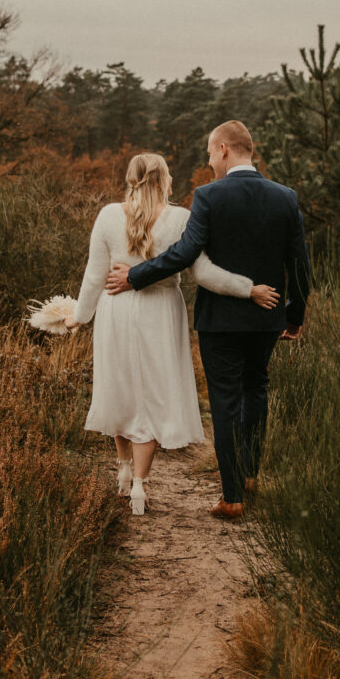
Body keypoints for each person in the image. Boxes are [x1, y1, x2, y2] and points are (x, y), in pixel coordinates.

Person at [105, 121, 311, 521]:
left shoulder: (210, 196)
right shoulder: (286, 198)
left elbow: (184, 254)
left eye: (208, 153)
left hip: (220, 320)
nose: (207, 160)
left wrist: (135, 276)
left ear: (222, 149)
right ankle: (250, 474)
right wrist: (295, 314)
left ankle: (232, 495)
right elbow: (300, 264)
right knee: (257, 389)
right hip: (268, 317)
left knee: (225, 401)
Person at [65, 153, 279, 515]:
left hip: (115, 309)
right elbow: (205, 273)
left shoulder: (107, 215)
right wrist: (249, 289)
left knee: (120, 387)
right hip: (160, 310)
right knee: (150, 395)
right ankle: (139, 486)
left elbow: (93, 274)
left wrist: (79, 316)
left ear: (130, 179)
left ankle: (123, 470)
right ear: (165, 180)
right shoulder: (181, 218)